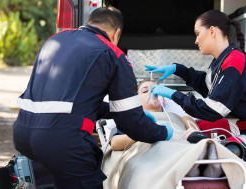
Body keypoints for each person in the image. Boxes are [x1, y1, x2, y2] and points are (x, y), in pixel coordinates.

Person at [13, 7, 173, 189]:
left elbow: (72, 101)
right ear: (116, 34)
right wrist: (161, 132)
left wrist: (111, 113)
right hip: (61, 140)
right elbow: (130, 121)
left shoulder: (55, 40)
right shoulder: (113, 53)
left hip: (23, 133)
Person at [145, 9, 246, 164]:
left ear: (212, 31)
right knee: (206, 140)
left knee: (217, 153)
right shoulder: (223, 62)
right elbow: (207, 86)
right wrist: (178, 69)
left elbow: (212, 110)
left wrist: (173, 95)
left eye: (198, 33)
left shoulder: (234, 62)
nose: (196, 40)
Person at [110, 80, 199, 150]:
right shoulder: (129, 119)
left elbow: (202, 137)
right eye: (145, 91)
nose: (151, 92)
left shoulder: (184, 118)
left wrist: (194, 133)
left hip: (182, 148)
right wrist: (142, 133)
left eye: (155, 89)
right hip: (150, 154)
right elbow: (114, 144)